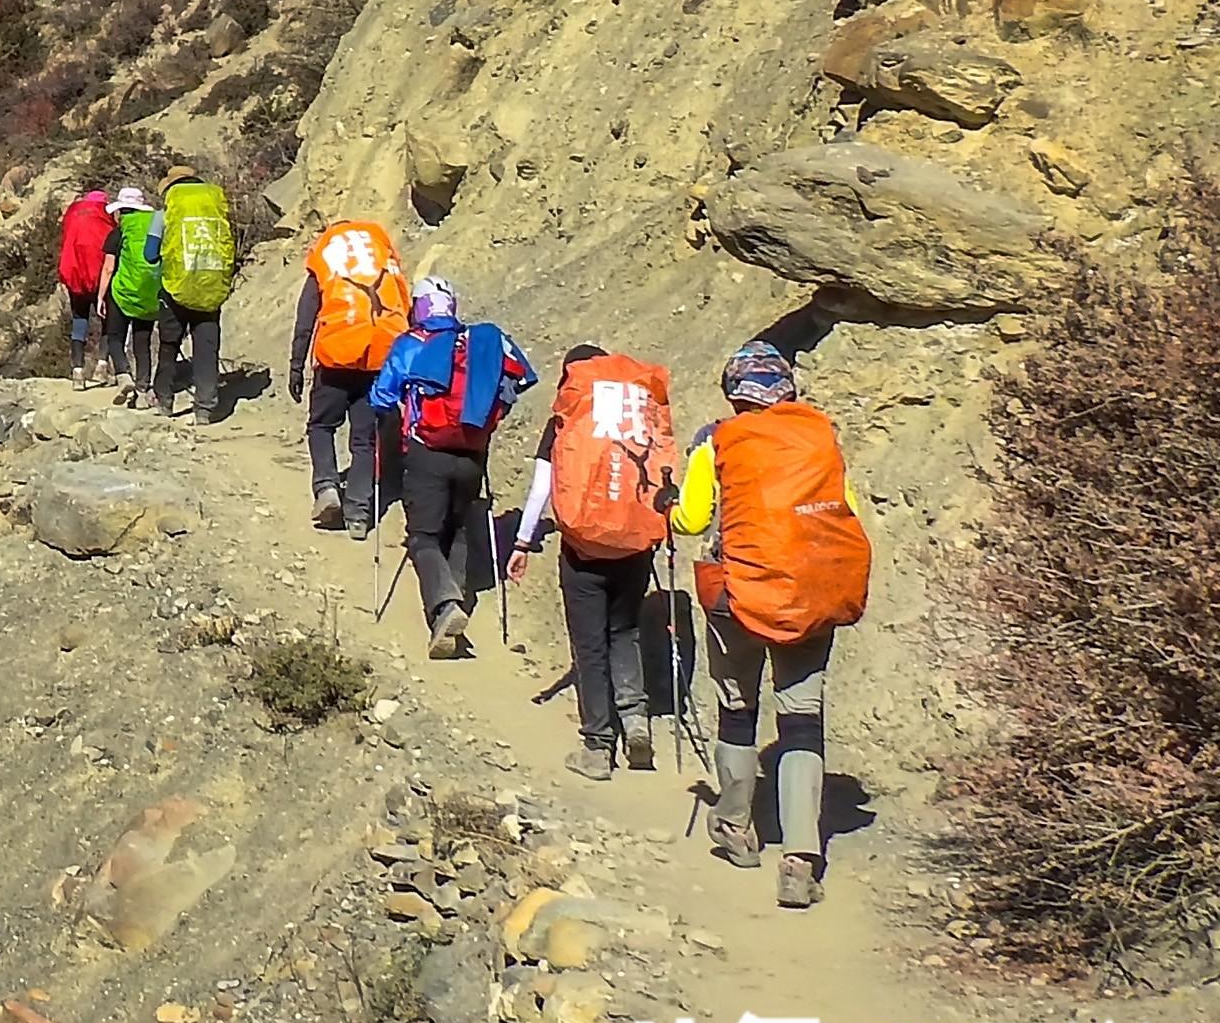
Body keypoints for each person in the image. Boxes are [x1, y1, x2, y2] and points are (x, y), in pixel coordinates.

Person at [677, 341, 869, 910]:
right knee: (802, 720)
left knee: (738, 708)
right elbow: (844, 510)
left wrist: (668, 506)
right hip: (810, 592)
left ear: (734, 393)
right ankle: (800, 859)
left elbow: (690, 519)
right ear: (789, 389)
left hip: (738, 596)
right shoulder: (819, 439)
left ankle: (736, 827)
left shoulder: (715, 442)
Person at [505, 342, 677, 777]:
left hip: (583, 549)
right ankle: (636, 721)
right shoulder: (640, 410)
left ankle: (598, 747)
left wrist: (523, 542)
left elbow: (543, 485)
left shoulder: (570, 417)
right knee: (625, 632)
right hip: (635, 543)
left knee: (590, 644)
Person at [369, 278, 532, 658]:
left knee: (423, 536)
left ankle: (445, 605)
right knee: (458, 529)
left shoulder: (412, 342)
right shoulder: (482, 343)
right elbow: (521, 377)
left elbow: (382, 396)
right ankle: (454, 602)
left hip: (427, 452)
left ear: (420, 306)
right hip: (473, 452)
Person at [286, 217, 408, 532]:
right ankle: (358, 515)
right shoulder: (383, 254)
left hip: (337, 353)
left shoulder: (327, 253)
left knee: (321, 425)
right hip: (381, 355)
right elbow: (405, 307)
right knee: (364, 439)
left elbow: (306, 314)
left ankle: (327, 487)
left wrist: (296, 365)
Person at [153, 172, 238, 425]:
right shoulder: (215, 214)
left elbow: (149, 254)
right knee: (206, 350)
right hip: (210, 288)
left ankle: (165, 402)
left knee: (169, 347)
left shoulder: (163, 215)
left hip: (175, 290)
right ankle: (205, 408)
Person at [104, 186, 166, 402]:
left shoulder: (120, 232)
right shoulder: (157, 224)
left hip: (123, 291)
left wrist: (101, 295)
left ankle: (123, 375)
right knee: (142, 340)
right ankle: (142, 388)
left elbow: (108, 268)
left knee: (114, 336)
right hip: (150, 292)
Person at [55, 185, 114, 387]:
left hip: (76, 275)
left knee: (79, 321)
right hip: (100, 278)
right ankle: (102, 366)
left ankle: (77, 372)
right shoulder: (105, 219)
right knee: (108, 321)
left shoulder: (74, 214)